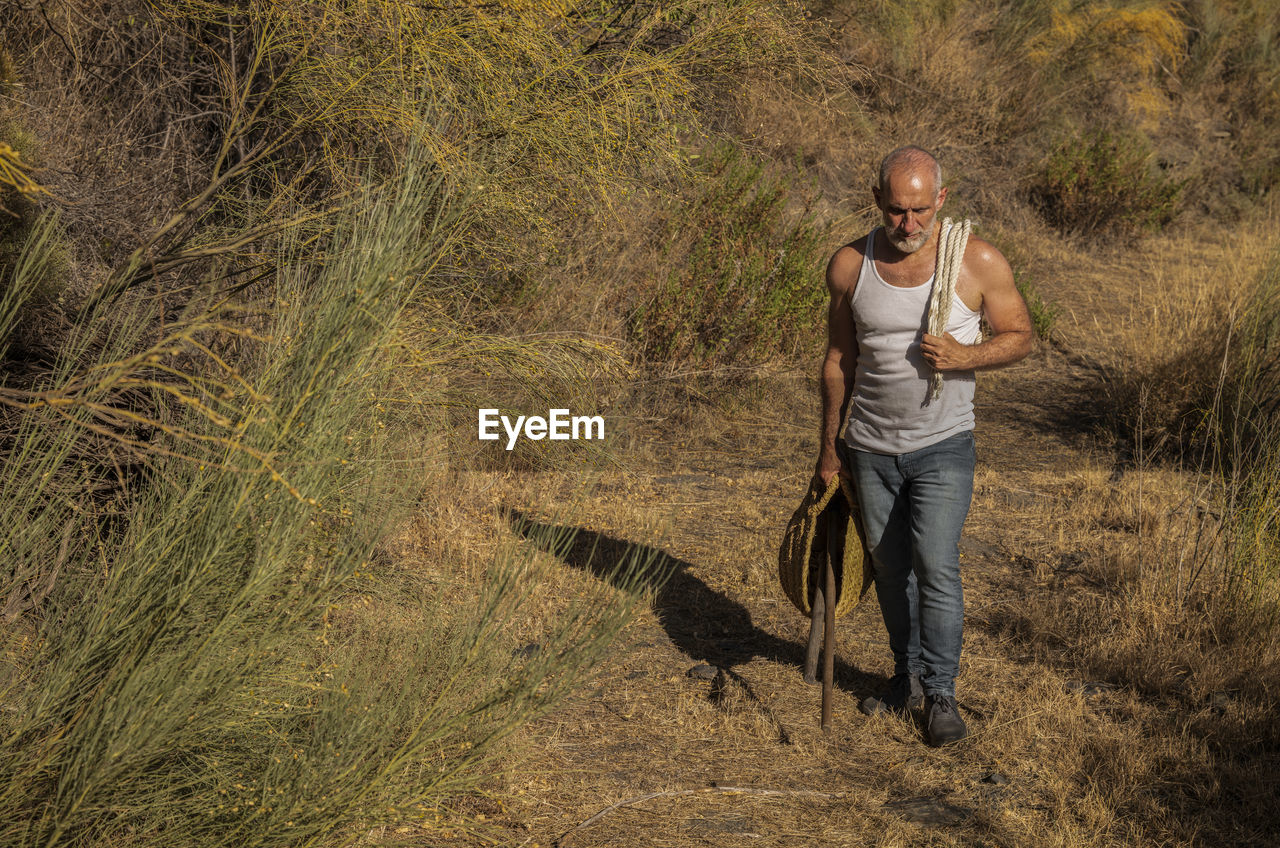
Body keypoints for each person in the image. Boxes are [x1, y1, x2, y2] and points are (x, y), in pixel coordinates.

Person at [814, 145, 1032, 746]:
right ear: (876, 200)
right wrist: (829, 447)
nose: (908, 226)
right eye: (895, 211)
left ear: (941, 200)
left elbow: (1020, 336)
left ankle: (940, 694)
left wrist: (967, 356)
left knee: (936, 564)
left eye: (919, 211)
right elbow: (839, 360)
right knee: (890, 568)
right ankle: (903, 676)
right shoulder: (850, 267)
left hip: (943, 444)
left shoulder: (977, 262)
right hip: (869, 446)